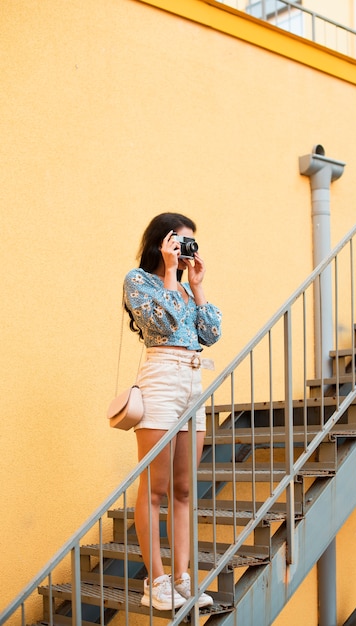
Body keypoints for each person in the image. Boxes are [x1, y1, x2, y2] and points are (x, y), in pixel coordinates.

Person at [123, 212, 222, 611]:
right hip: (162, 378)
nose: (186, 252)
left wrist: (196, 287)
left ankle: (183, 580)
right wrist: (168, 272)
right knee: (155, 489)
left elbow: (211, 333)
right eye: (180, 243)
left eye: (190, 245)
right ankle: (157, 581)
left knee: (184, 490)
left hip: (193, 381)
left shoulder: (183, 287)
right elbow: (161, 324)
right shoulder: (139, 280)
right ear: (162, 242)